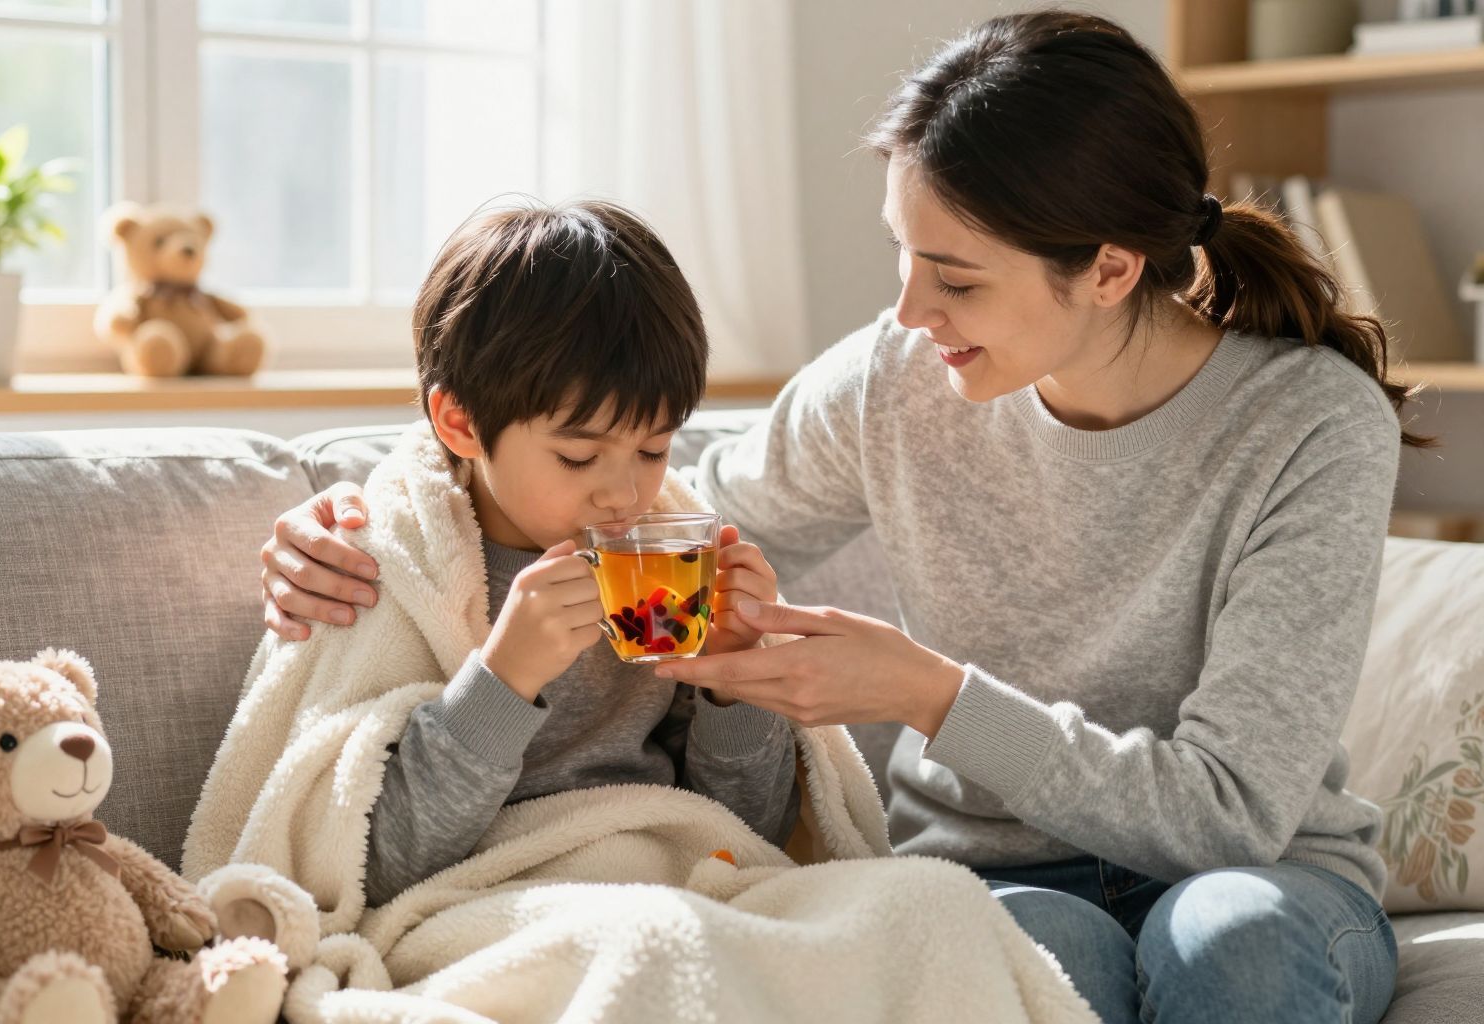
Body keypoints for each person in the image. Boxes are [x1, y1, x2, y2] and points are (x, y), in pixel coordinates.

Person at [253, 12, 1419, 1022]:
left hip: (1258, 876)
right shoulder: (897, 380)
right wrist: (375, 513)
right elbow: (645, 485)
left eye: (955, 277)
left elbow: (1230, 815)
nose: (908, 312)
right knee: (1032, 954)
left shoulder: (1310, 424)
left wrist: (930, 694)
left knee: (1229, 944)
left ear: (1111, 270)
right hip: (1001, 873)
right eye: (903, 255)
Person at [200, 200, 798, 911]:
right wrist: (504, 680)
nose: (624, 494)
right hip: (488, 905)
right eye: (578, 456)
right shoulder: (378, 569)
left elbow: (752, 835)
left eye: (654, 449)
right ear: (460, 422)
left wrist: (734, 682)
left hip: (668, 881)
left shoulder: (664, 555)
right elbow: (362, 866)